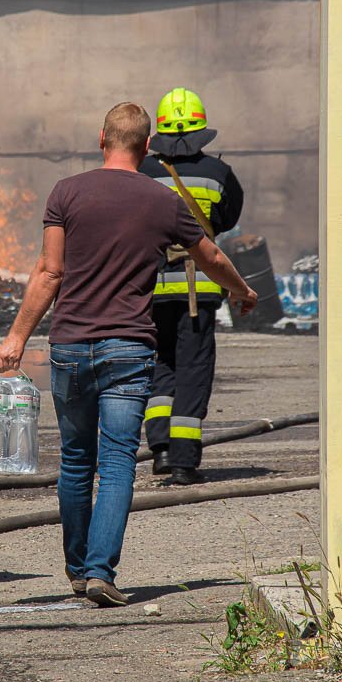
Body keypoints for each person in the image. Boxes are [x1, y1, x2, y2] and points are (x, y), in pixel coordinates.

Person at [0, 103, 256, 607]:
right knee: (117, 463)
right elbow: (211, 256)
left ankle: (76, 569)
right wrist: (242, 291)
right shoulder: (163, 202)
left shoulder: (66, 192)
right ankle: (100, 573)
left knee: (75, 460)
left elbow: (50, 271)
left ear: (101, 138)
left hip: (70, 346)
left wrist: (16, 339)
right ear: (146, 145)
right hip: (129, 348)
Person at [141, 88, 245, 486]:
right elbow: (227, 219)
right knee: (193, 370)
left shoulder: (143, 172)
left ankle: (161, 449)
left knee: (160, 365)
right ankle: (184, 461)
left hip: (151, 288)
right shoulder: (218, 173)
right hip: (198, 289)